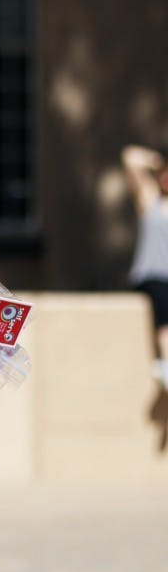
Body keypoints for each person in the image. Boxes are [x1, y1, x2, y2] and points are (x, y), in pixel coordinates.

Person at [122, 143, 168, 390]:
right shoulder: (150, 201)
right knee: (164, 306)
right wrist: (157, 160)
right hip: (152, 275)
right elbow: (130, 157)